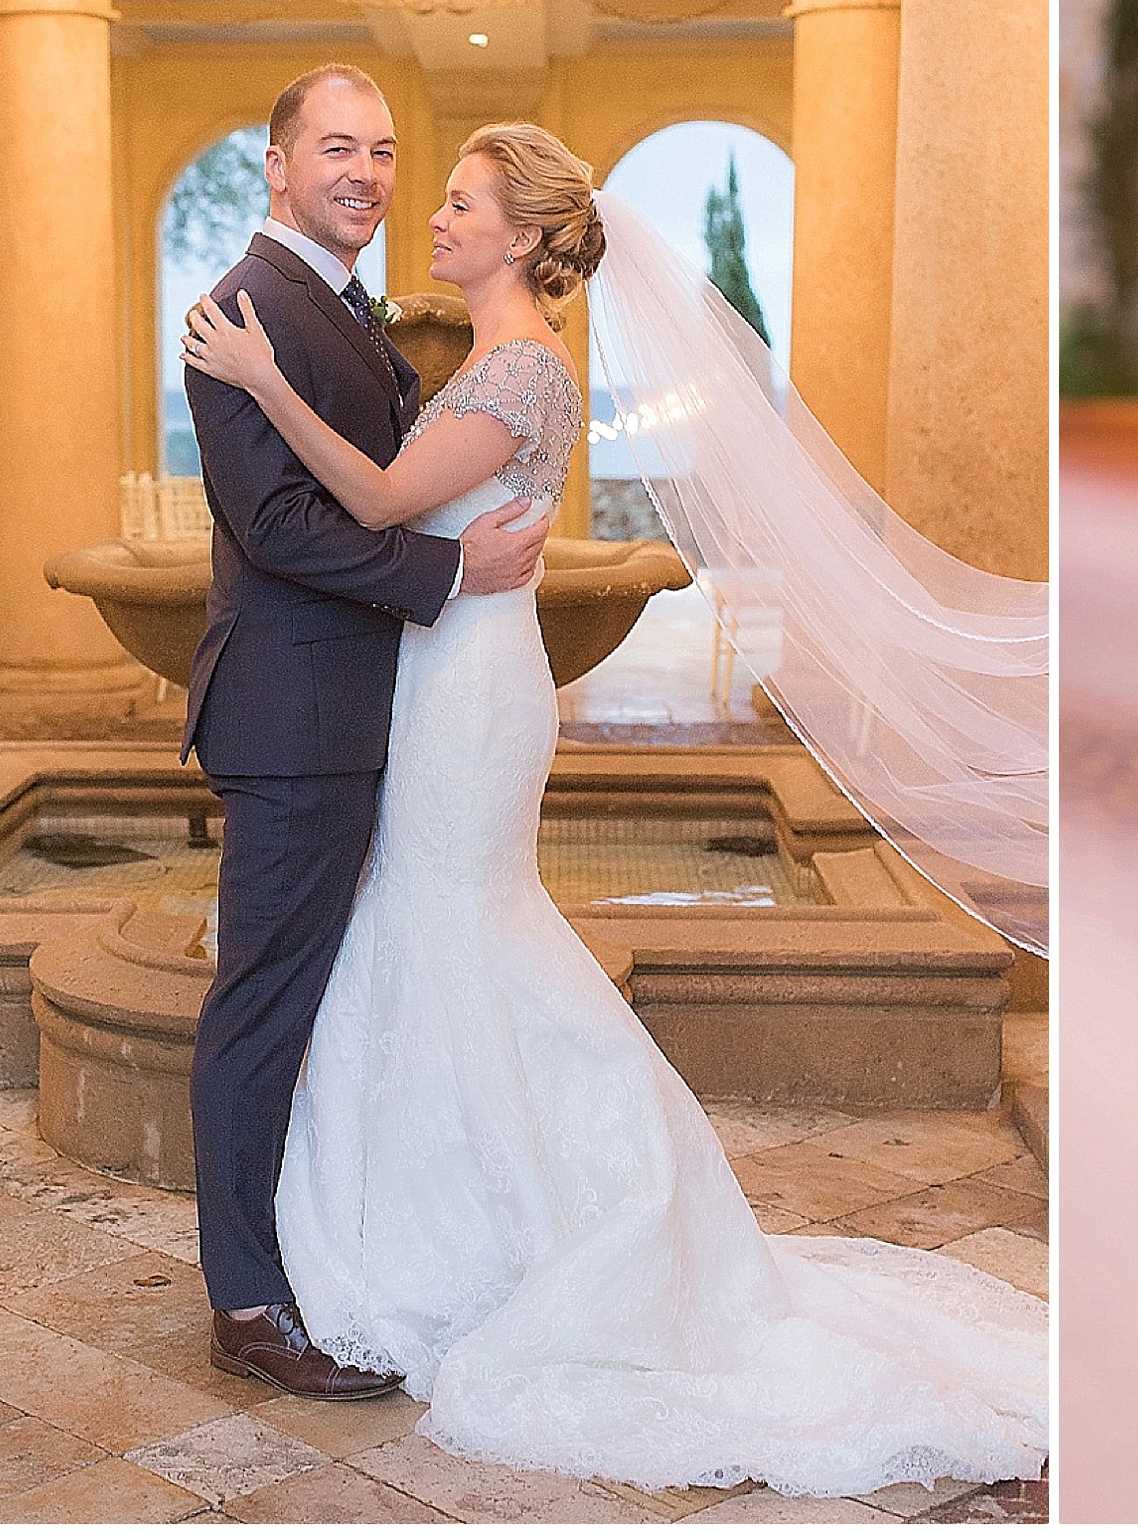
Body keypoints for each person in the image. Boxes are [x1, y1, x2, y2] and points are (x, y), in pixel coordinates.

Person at [181, 122, 1047, 1495]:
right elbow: (423, 521)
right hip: (453, 663)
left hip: (465, 690)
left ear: (522, 237)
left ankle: (590, 1217)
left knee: (464, 929)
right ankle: (462, 1224)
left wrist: (259, 381)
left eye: (460, 202)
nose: (437, 217)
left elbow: (381, 493)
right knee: (432, 934)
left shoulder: (517, 364)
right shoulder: (495, 358)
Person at [182, 64, 549, 1399]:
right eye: (337, 148)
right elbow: (276, 529)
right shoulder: (241, 309)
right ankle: (249, 1304)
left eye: (385, 151)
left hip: (363, 706)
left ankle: (336, 1254)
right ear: (277, 163)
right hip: (296, 717)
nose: (367, 174)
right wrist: (446, 579)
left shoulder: (329, 301)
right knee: (264, 1003)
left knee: (334, 994)